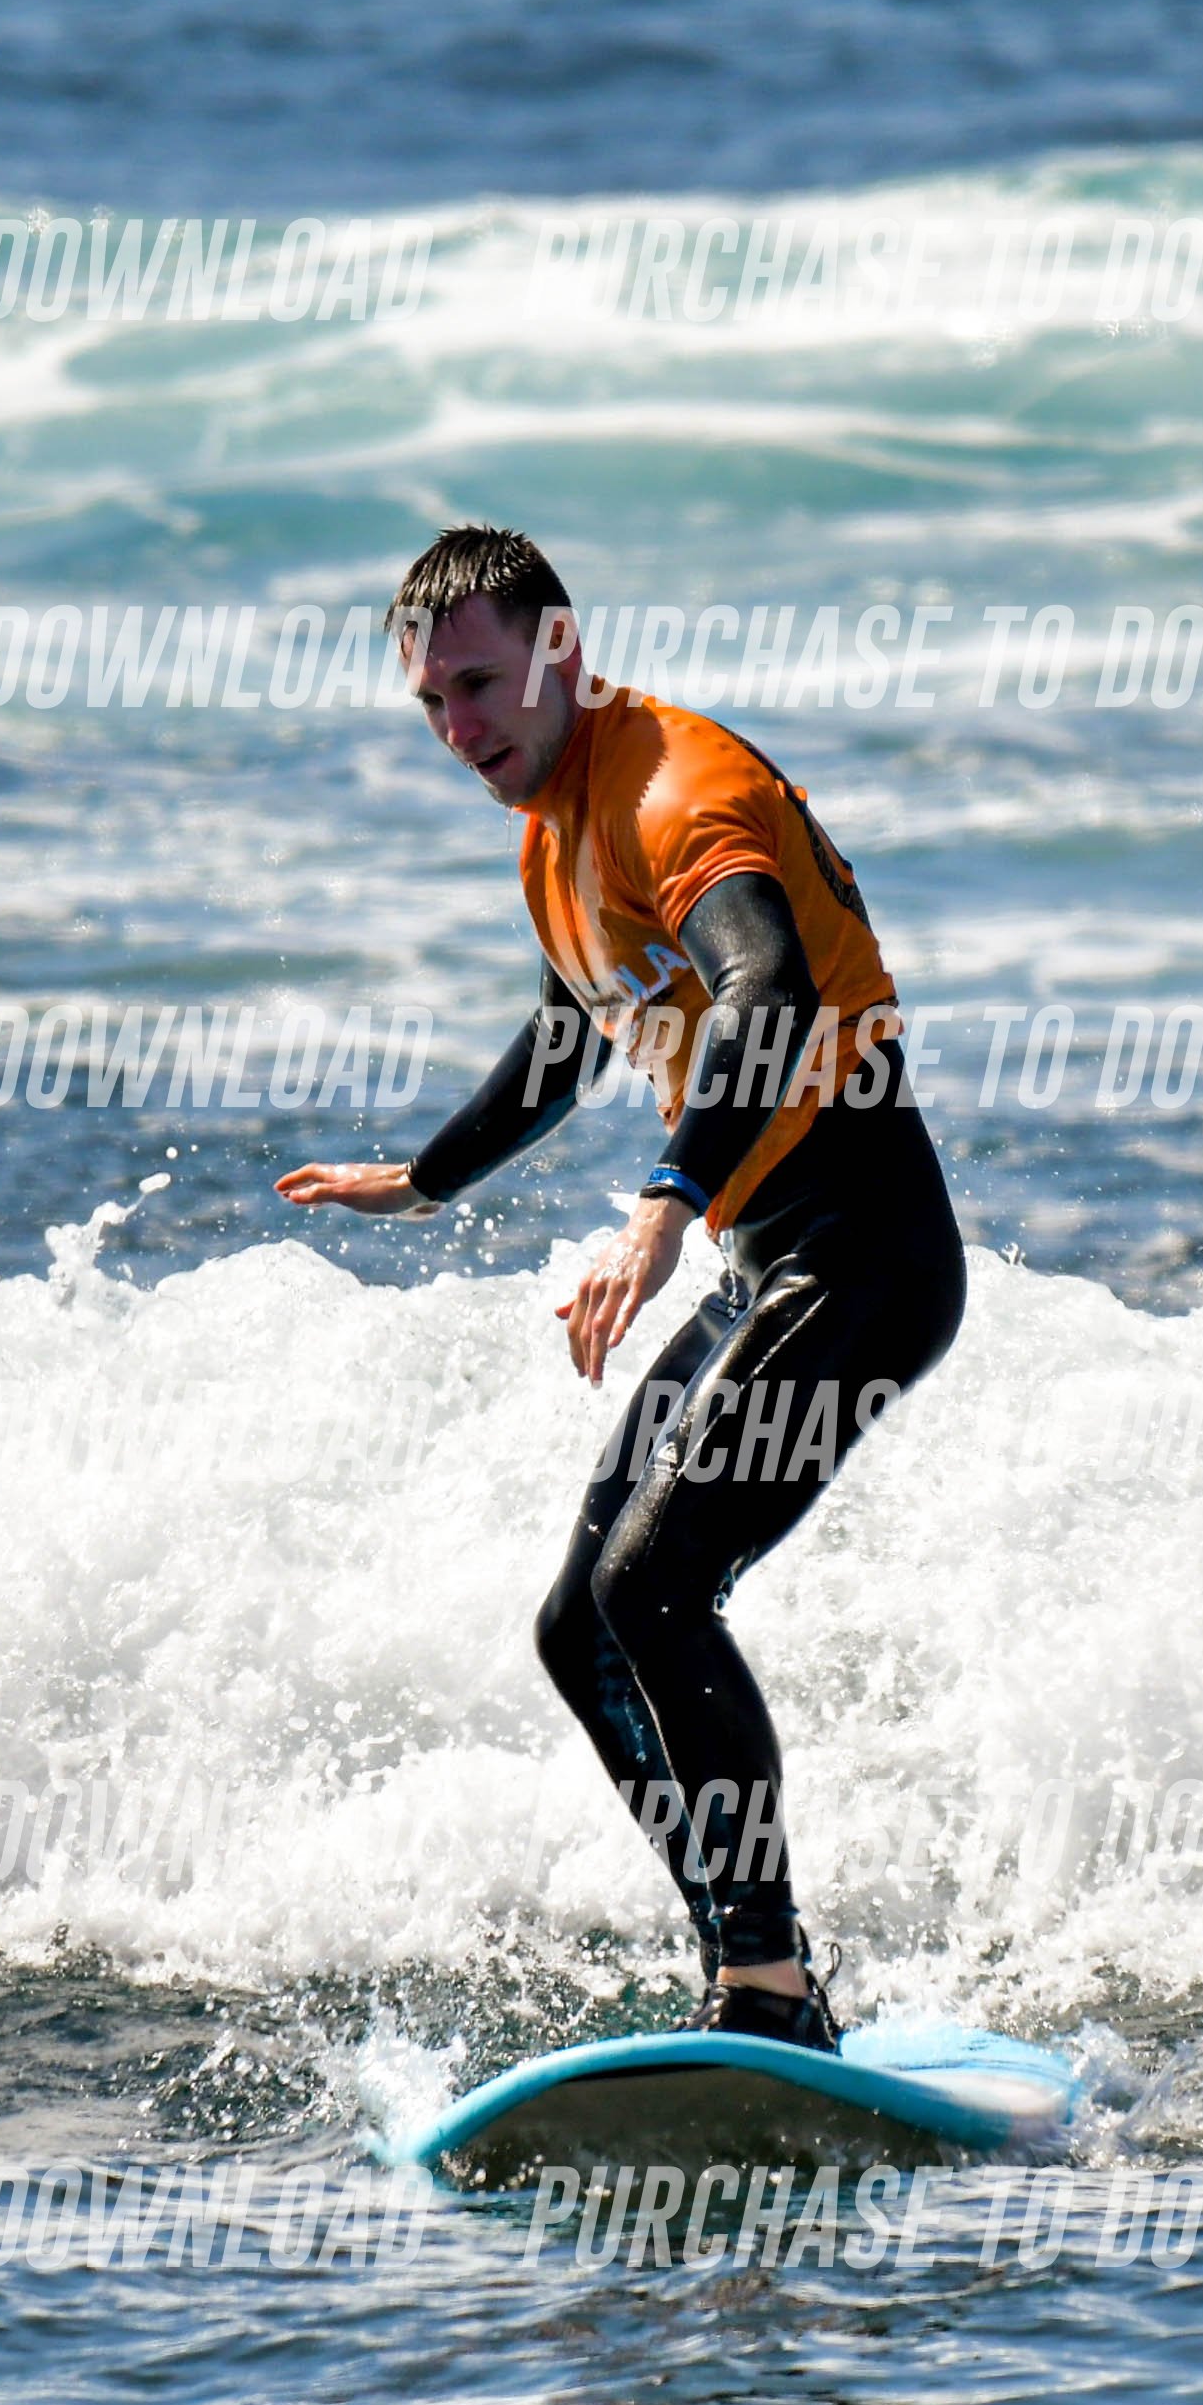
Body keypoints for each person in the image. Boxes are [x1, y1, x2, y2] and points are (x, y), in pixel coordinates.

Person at [278, 527, 962, 2052]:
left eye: (477, 685)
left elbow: (769, 990)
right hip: (773, 1257)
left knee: (654, 1589)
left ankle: (765, 1988)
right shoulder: (557, 830)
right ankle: (757, 1973)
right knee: (580, 1627)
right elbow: (569, 1031)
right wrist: (426, 1180)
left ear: (559, 650)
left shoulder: (673, 788)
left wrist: (665, 1203)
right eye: (431, 703)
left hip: (867, 1249)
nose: (458, 728)